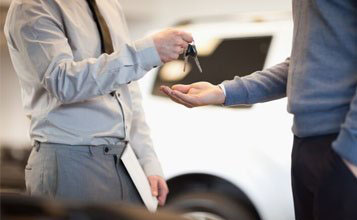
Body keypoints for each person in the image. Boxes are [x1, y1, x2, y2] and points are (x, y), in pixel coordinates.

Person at [160, 0, 357, 219]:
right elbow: (303, 63)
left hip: (342, 143)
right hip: (306, 143)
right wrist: (223, 91)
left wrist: (349, 153)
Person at [4, 0, 193, 206]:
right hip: (70, 163)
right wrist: (147, 52)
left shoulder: (109, 5)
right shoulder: (32, 5)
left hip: (124, 161)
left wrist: (148, 162)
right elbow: (62, 82)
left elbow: (127, 89)